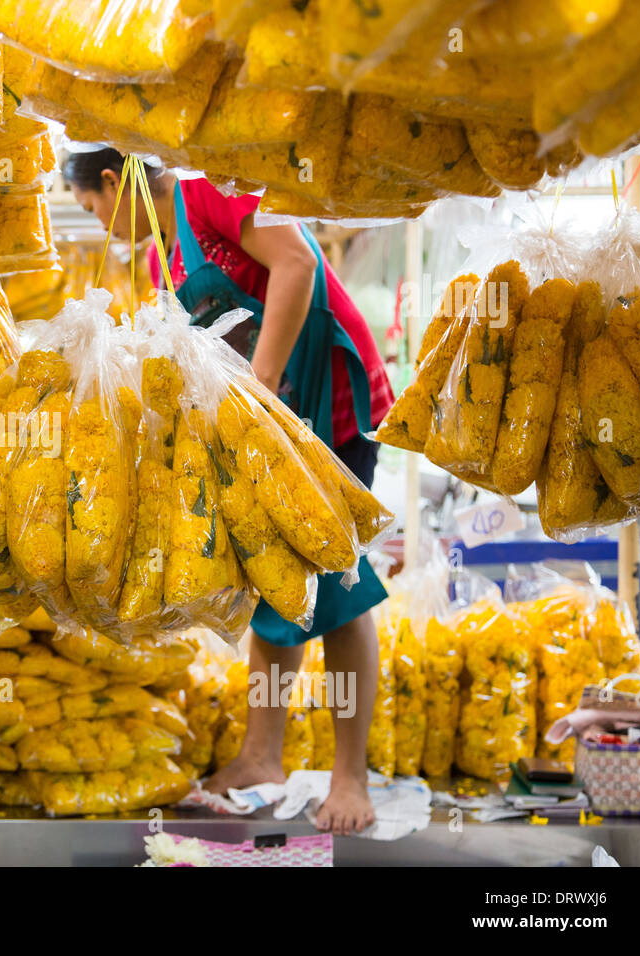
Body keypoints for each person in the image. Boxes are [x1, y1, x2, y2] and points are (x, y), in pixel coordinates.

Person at [65, 148, 396, 836]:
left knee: (338, 583)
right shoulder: (163, 257)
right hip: (265, 422)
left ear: (113, 181)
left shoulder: (206, 188)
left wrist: (262, 387)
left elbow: (298, 262)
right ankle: (261, 757)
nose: (99, 228)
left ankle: (350, 776)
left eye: (93, 210)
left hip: (323, 405)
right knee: (271, 580)